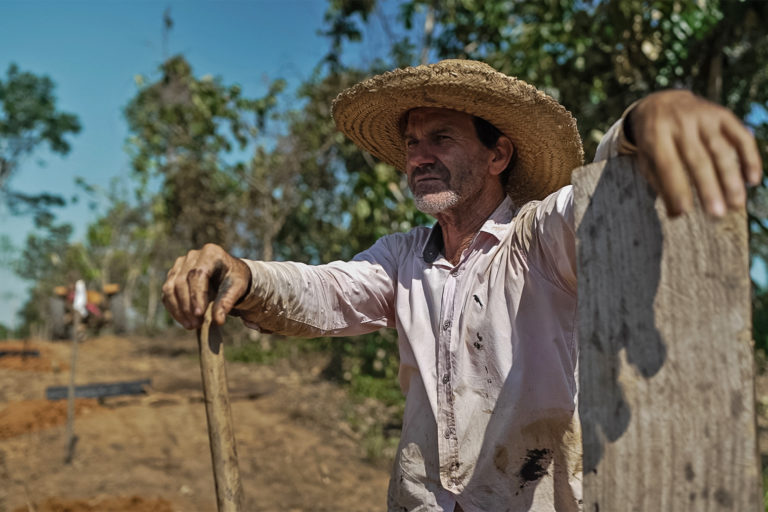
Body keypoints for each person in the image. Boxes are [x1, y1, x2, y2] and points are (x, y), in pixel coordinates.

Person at [161, 60, 761, 511]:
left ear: (498, 156)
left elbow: (595, 197)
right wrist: (248, 275)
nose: (419, 157)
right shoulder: (403, 259)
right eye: (412, 143)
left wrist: (646, 119)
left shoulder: (537, 240)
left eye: (442, 138)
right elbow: (325, 292)